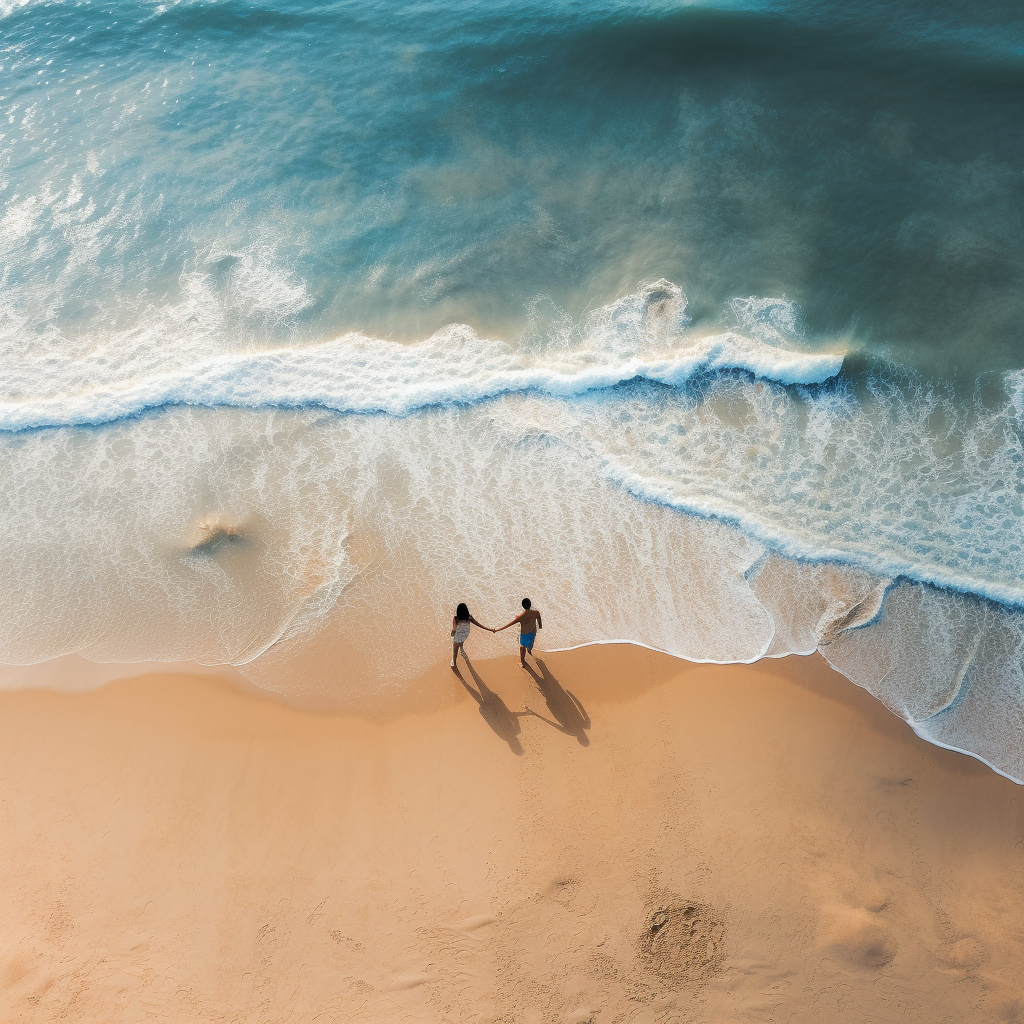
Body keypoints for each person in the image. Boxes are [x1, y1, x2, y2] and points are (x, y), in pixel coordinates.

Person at [495, 598, 543, 668]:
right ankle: (529, 651)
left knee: (522, 647)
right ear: (530, 604)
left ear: (523, 606)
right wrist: (540, 627)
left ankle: (522, 662)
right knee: (531, 642)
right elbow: (540, 624)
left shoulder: (520, 617)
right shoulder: (536, 613)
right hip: (533, 632)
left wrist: (497, 630)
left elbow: (508, 625)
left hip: (525, 634)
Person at [451, 603, 494, 669]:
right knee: (461, 642)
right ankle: (462, 650)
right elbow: (479, 625)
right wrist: (490, 630)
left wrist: (453, 631)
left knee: (455, 650)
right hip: (465, 635)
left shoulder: (456, 618)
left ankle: (454, 663)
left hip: (458, 636)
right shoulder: (469, 617)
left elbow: (454, 627)